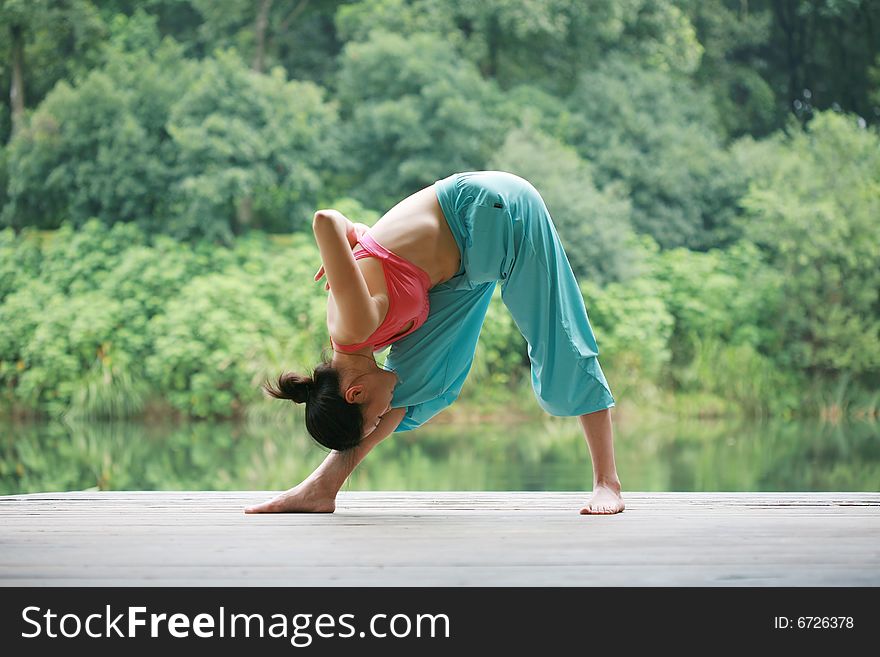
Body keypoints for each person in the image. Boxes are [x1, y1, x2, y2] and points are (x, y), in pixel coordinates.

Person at [245, 171, 624, 515]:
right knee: (422, 383)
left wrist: (350, 235)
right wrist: (355, 247)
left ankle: (607, 482)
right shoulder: (358, 347)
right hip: (460, 267)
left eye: (374, 414)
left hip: (494, 213)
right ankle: (322, 487)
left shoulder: (354, 323)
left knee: (559, 338)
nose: (383, 413)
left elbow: (324, 220)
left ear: (356, 393)